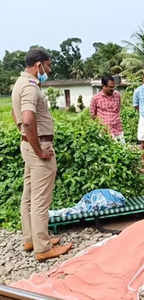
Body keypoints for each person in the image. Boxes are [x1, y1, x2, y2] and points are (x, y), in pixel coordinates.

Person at [11, 48, 72, 261]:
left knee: (28, 195)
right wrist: (39, 150)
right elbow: (27, 120)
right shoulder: (30, 87)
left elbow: (15, 115)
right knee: (40, 200)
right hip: (39, 147)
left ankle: (31, 239)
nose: (49, 69)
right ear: (39, 65)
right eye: (49, 65)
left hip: (28, 144)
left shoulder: (19, 84)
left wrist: (27, 139)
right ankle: (43, 248)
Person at [90, 75, 125, 143]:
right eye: (110, 87)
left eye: (113, 86)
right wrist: (101, 125)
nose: (113, 89)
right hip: (104, 132)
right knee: (108, 151)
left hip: (118, 129)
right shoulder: (96, 98)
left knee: (122, 150)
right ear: (103, 86)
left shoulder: (117, 95)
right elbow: (93, 115)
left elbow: (118, 109)